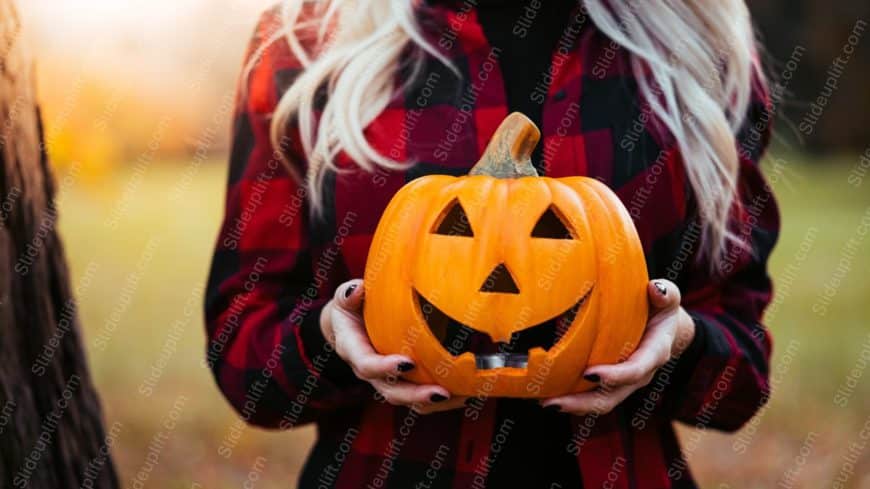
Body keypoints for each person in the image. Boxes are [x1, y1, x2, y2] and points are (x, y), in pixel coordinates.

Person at [205, 0, 779, 487]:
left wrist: (676, 344)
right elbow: (245, 353)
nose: (499, 276)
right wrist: (336, 340)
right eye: (454, 229)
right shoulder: (305, 39)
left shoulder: (698, 35)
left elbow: (742, 372)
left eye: (550, 232)